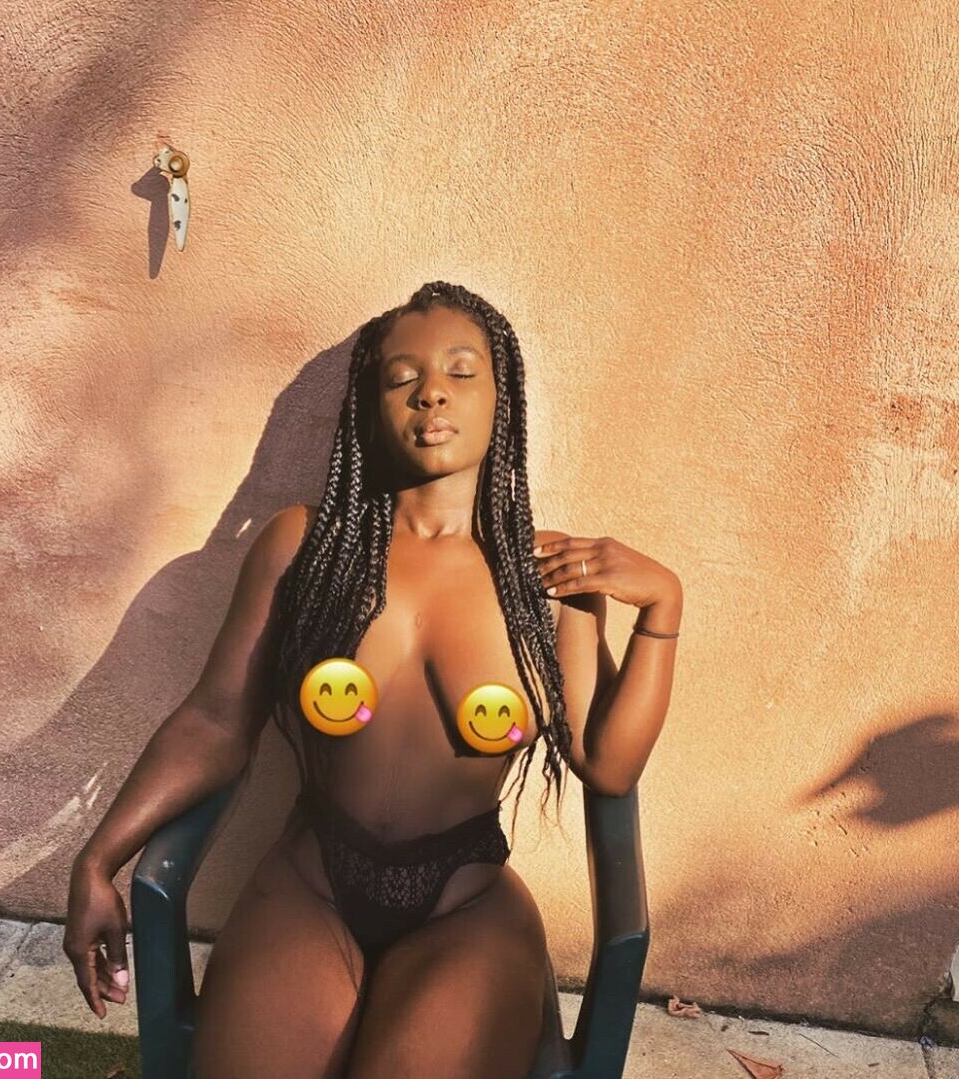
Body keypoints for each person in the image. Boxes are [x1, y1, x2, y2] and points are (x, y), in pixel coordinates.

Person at [63, 281, 683, 1078]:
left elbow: (608, 764)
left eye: (462, 371)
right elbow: (216, 721)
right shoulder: (307, 547)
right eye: (402, 376)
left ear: (503, 398)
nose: (432, 391)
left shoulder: (549, 574)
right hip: (311, 883)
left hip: (466, 905)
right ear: (371, 405)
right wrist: (97, 858)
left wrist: (664, 606)